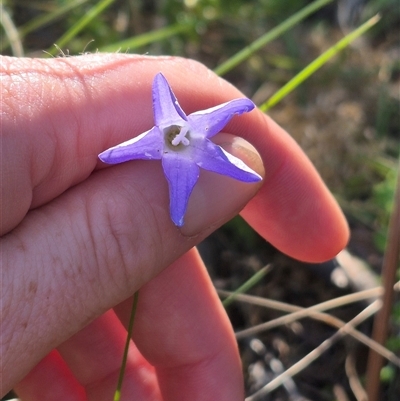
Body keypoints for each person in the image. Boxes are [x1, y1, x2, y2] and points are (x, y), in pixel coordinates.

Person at [1, 54, 349, 400]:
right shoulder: (164, 126)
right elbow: (121, 150)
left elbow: (224, 125)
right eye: (175, 132)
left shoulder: (187, 129)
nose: (178, 136)